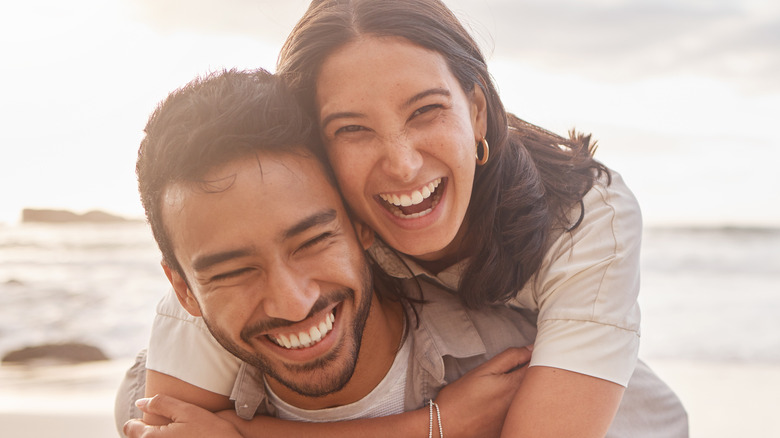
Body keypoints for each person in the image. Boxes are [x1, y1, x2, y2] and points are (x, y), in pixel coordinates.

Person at [125, 0, 689, 436]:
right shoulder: (273, 229)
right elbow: (172, 426)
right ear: (314, 150)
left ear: (475, 108)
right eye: (352, 129)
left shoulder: (586, 219)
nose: (401, 164)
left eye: (427, 110)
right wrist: (428, 427)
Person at [119, 68, 537, 438]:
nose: (293, 303)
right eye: (233, 272)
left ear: (361, 224)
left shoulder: (514, 374)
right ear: (183, 290)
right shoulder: (154, 406)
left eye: (312, 242)